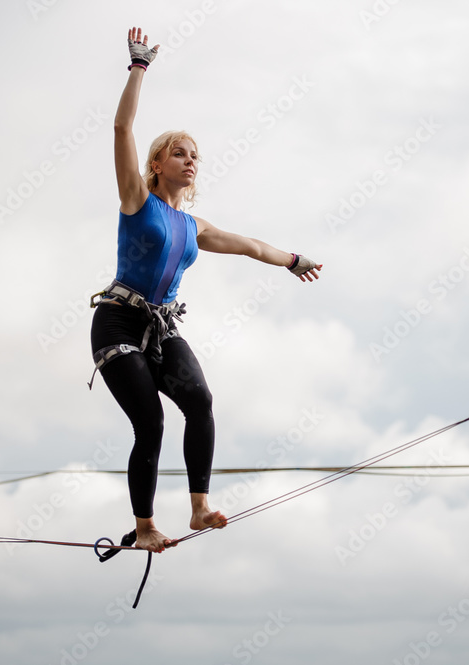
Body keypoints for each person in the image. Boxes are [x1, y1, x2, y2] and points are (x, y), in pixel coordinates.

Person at [89, 27, 322, 554]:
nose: (190, 160)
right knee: (149, 421)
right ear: (156, 164)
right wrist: (138, 67)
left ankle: (197, 508)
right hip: (118, 322)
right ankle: (145, 526)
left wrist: (291, 260)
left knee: (199, 399)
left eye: (194, 155)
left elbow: (248, 245)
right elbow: (123, 126)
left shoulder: (193, 226)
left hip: (160, 327)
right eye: (179, 153)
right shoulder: (136, 200)